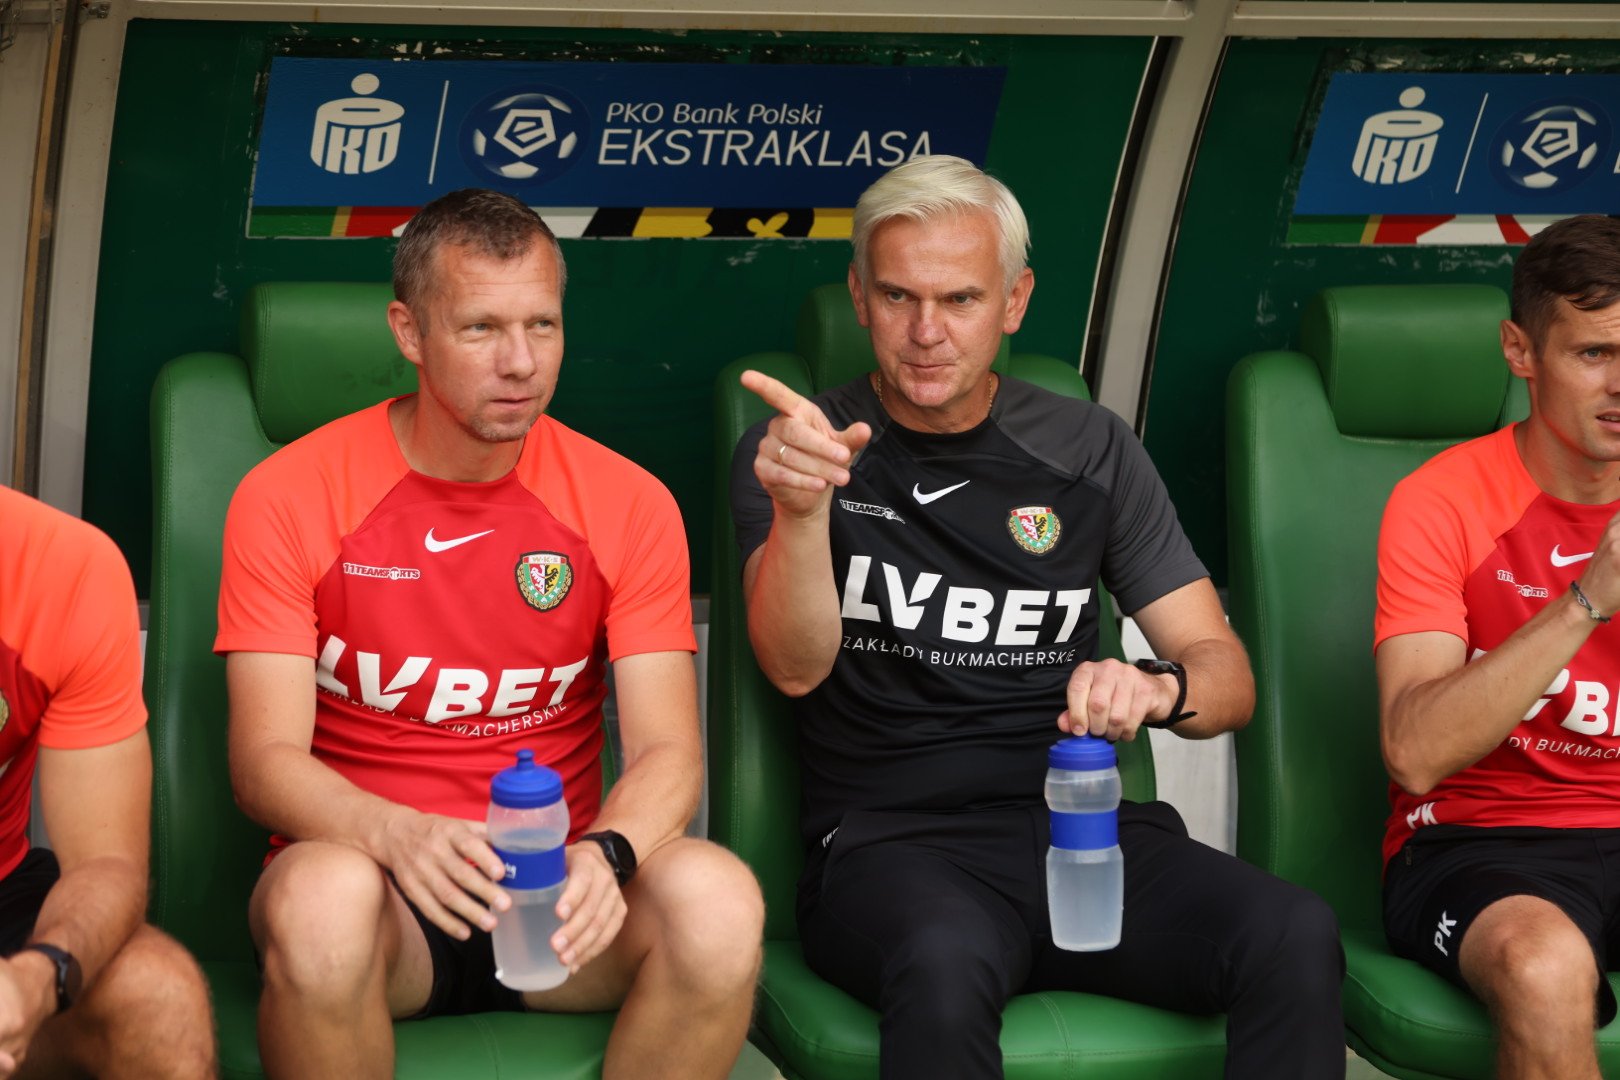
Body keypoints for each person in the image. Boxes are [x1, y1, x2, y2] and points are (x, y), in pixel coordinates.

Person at [731, 154, 1344, 1079]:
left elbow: (1225, 678)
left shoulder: (1091, 447)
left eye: (961, 299)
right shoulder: (798, 451)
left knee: (1293, 930)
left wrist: (1155, 688)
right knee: (942, 965)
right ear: (859, 296)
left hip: (1085, 825)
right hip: (895, 847)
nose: (927, 331)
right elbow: (792, 665)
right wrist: (803, 511)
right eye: (898, 297)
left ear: (1014, 301)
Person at [217, 188, 763, 1079]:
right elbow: (262, 763)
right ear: (408, 331)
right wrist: (395, 834)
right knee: (320, 905)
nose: (521, 363)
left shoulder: (628, 500)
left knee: (720, 901)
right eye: (481, 329)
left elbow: (670, 752)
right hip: (381, 893)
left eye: (542, 325)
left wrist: (607, 854)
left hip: (559, 899)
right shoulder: (290, 493)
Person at [1377, 214, 1620, 1080]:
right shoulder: (1442, 501)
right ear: (1520, 351)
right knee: (1542, 968)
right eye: (1594, 353)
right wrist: (1587, 600)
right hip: (1482, 840)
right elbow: (1413, 752)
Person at [0, 486, 215, 1078]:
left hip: (5, 884)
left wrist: (35, 980)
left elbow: (107, 864)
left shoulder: (62, 568)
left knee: (157, 997)